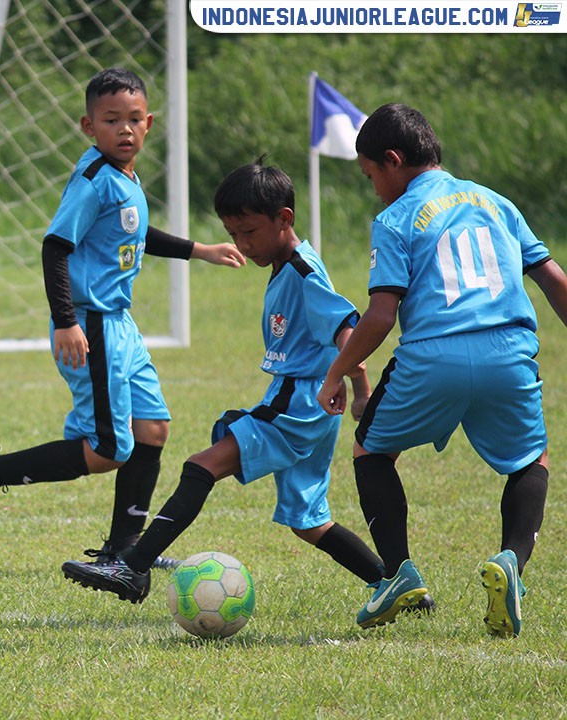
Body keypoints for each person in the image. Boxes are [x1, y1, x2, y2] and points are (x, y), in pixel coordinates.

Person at [62, 160, 415, 619]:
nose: (243, 244)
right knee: (309, 522)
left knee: (200, 466)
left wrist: (360, 388)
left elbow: (349, 330)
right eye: (234, 232)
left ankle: (132, 566)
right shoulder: (287, 264)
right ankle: (397, 584)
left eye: (249, 232)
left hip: (299, 403)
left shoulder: (305, 271)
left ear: (284, 219)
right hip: (305, 406)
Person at [0, 67, 244, 569]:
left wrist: (200, 249)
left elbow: (136, 234)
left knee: (152, 429)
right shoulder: (93, 180)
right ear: (90, 128)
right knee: (109, 447)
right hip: (89, 325)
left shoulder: (125, 178)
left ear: (149, 123)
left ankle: (124, 549)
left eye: (134, 119)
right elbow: (55, 248)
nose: (125, 129)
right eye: (112, 120)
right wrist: (65, 319)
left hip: (121, 325)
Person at [317, 103, 567, 637]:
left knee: (371, 449)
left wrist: (337, 370)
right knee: (531, 460)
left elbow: (382, 313)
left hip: (432, 356)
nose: (375, 190)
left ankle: (399, 573)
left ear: (392, 160)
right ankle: (512, 567)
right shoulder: (496, 202)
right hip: (509, 351)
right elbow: (551, 279)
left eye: (371, 177)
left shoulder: (395, 218)